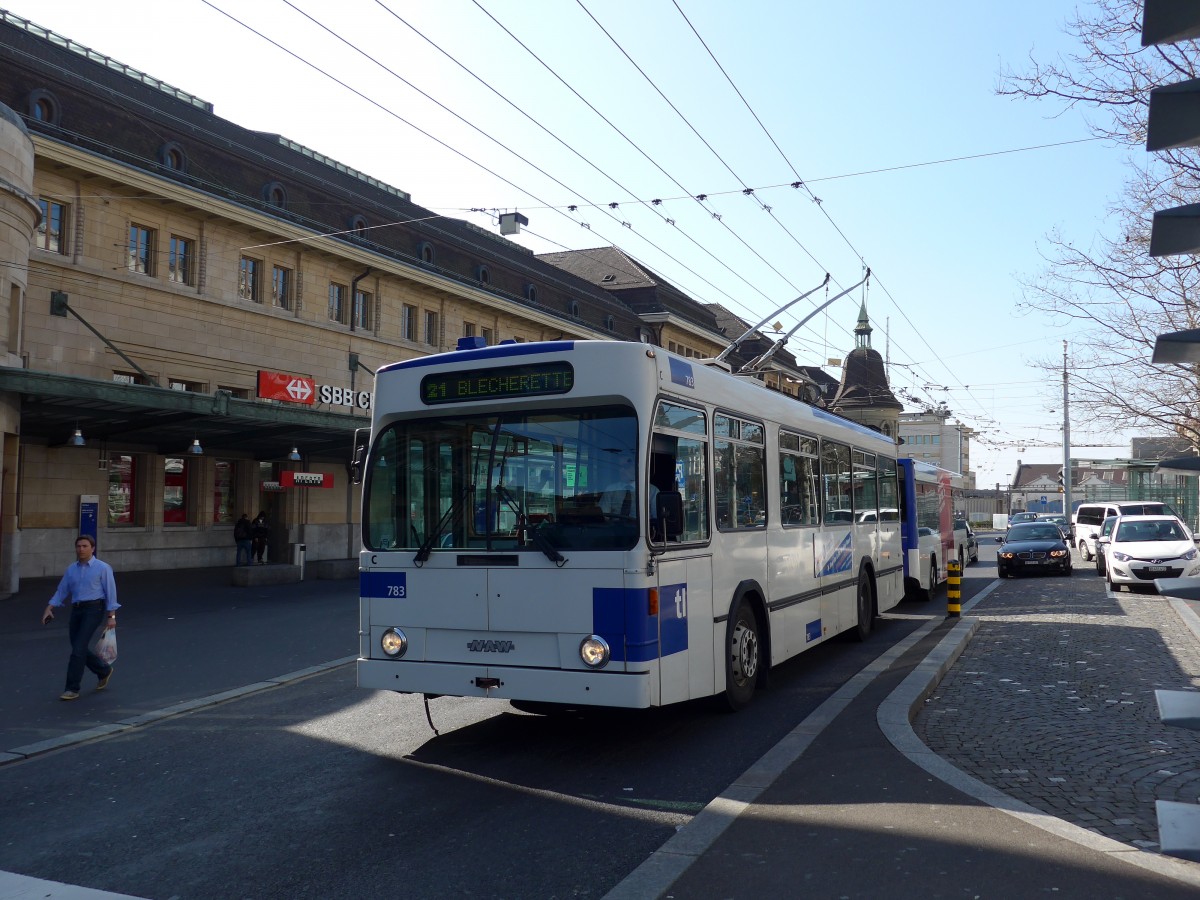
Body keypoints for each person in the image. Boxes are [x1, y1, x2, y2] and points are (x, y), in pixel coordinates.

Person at [40, 534, 118, 701]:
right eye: (78, 546)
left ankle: (72, 688)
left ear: (92, 548)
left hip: (94, 609)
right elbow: (62, 591)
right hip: (76, 610)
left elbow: (111, 593)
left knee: (78, 650)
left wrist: (111, 616)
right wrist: (49, 607)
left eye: (84, 546)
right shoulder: (71, 569)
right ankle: (103, 670)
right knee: (78, 647)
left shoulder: (103, 568)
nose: (81, 549)